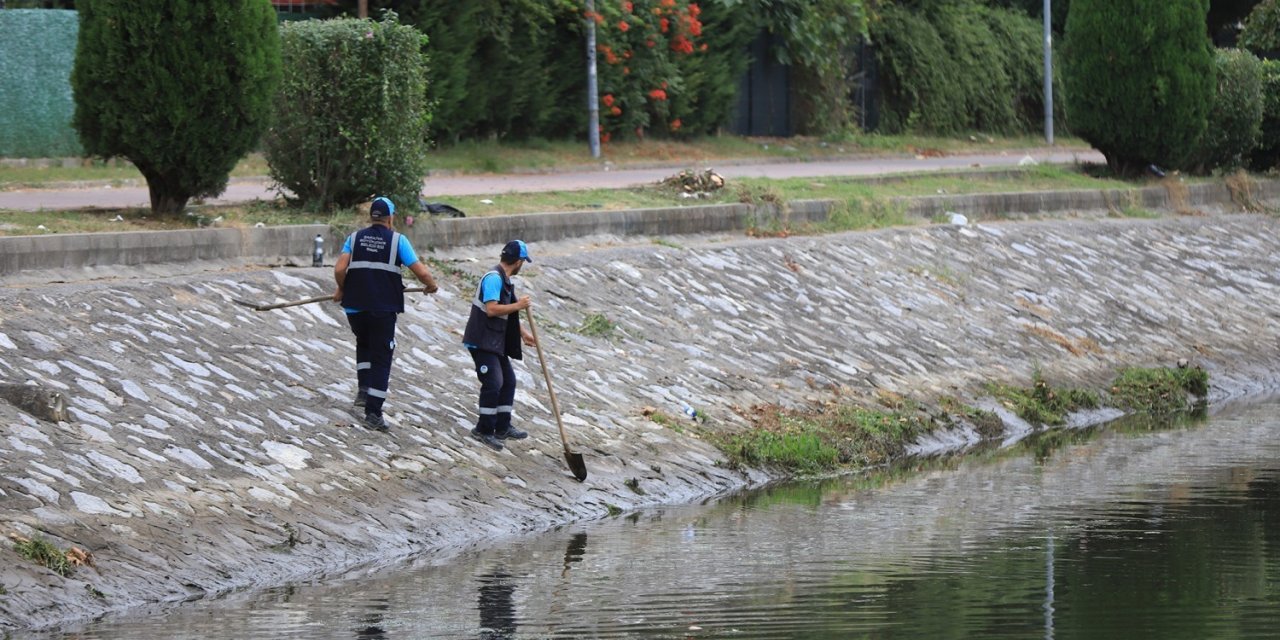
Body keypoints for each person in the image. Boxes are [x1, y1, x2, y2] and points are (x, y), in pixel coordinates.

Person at [332, 196, 438, 432]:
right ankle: (373, 413)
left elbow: (339, 268)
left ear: (372, 217)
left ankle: (363, 391)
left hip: (355, 307)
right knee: (381, 356)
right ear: (390, 218)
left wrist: (342, 288)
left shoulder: (354, 238)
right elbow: (421, 272)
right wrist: (431, 285)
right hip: (382, 309)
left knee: (364, 343)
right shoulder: (398, 240)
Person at [461, 240, 537, 451]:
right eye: (523, 262)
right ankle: (483, 430)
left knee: (508, 381)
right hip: (482, 340)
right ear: (519, 261)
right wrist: (519, 305)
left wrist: (524, 334)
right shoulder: (494, 278)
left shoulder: (505, 280)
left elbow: (508, 312)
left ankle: (502, 427)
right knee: (494, 382)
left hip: (495, 341)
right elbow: (492, 310)